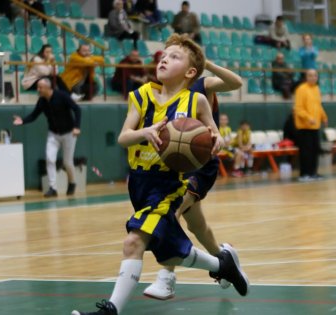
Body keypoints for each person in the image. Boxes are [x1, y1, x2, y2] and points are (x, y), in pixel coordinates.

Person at [71, 34, 248, 315]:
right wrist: (145, 132)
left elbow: (215, 134)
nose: (164, 58)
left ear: (191, 71)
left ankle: (112, 309)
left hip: (169, 184)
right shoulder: (140, 96)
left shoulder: (197, 100)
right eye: (163, 55)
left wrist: (217, 140)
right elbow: (123, 137)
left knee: (135, 241)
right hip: (139, 182)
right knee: (174, 249)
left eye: (175, 56)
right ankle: (221, 265)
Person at [142, 60, 244, 300]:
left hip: (201, 165)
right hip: (177, 167)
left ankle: (166, 277)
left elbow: (236, 82)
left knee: (172, 212)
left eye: (176, 56)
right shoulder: (162, 94)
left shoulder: (202, 85)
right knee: (197, 225)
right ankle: (224, 260)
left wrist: (207, 64)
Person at [12, 78, 81, 198]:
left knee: (67, 162)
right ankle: (53, 188)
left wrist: (77, 126)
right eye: (38, 87)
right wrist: (22, 120)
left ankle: (72, 182)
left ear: (48, 88)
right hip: (53, 134)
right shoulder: (42, 101)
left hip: (69, 133)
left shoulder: (62, 96)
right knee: (50, 159)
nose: (38, 89)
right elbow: (34, 115)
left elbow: (77, 109)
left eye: (40, 87)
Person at [294, 69, 327, 182]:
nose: (313, 77)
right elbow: (298, 109)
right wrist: (308, 118)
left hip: (315, 127)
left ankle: (313, 173)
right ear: (306, 77)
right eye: (310, 75)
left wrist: (324, 117)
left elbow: (318, 105)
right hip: (304, 127)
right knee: (306, 152)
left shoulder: (317, 89)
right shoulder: (301, 89)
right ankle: (304, 174)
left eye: (315, 76)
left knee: (315, 151)